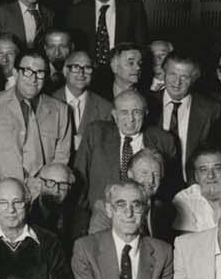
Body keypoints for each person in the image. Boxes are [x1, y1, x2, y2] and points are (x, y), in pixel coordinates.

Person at [70, 89, 177, 235]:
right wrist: (83, 221)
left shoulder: (163, 140)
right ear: (114, 115)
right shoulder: (96, 133)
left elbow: (169, 187)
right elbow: (79, 179)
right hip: (100, 219)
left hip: (144, 222)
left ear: (145, 114)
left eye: (136, 112)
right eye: (124, 112)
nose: (131, 119)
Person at [0, 49, 72, 184]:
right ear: (15, 73)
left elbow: (61, 158)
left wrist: (45, 187)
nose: (33, 79)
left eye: (40, 73)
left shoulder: (61, 110)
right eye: (27, 71)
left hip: (43, 190)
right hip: (3, 189)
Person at [150, 55, 221, 186]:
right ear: (163, 74)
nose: (177, 82)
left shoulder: (211, 109)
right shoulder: (148, 104)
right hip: (154, 185)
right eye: (172, 74)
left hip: (195, 187)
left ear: (194, 79)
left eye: (184, 77)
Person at [68, 0, 149, 71]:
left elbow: (142, 46)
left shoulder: (134, 7)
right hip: (88, 73)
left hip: (122, 72)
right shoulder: (77, 11)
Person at [56, 50, 112, 155]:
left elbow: (108, 147)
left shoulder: (105, 108)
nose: (81, 73)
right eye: (76, 67)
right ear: (65, 71)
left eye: (87, 68)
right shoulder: (49, 102)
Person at [27, 162, 80, 240]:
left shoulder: (80, 218)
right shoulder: (25, 215)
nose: (56, 190)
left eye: (63, 184)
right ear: (39, 184)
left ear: (69, 188)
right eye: (51, 182)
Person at [40, 28, 75, 93]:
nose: (57, 53)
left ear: (72, 47)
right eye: (51, 47)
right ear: (45, 49)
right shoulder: (36, 73)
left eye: (63, 46)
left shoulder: (83, 74)